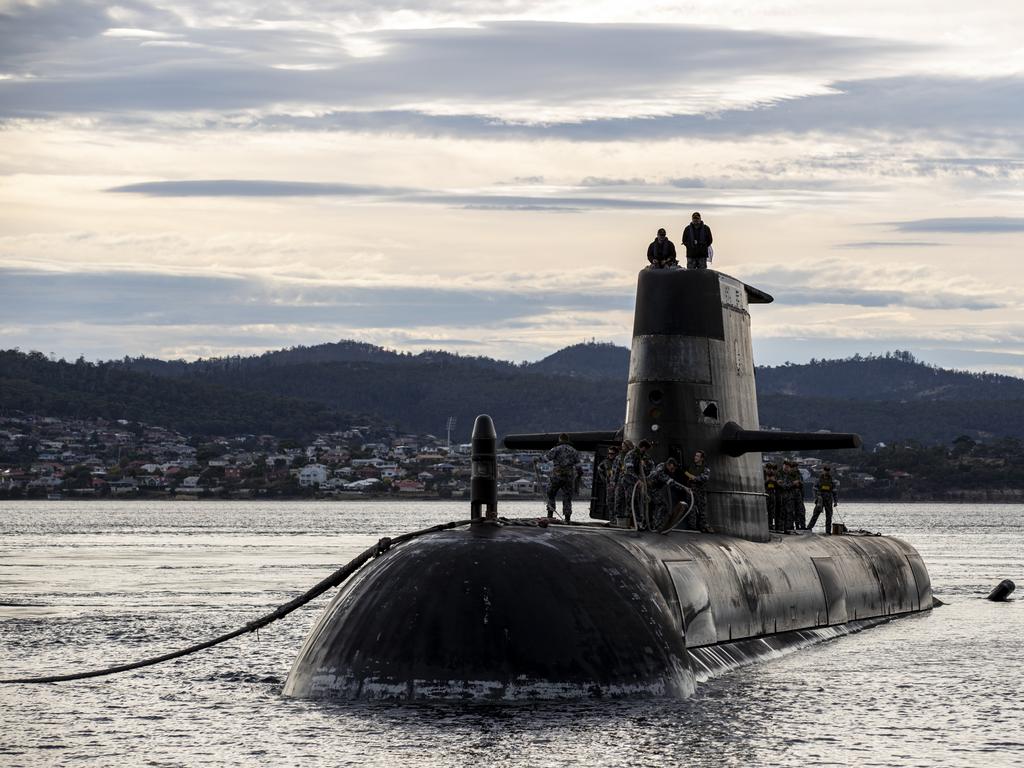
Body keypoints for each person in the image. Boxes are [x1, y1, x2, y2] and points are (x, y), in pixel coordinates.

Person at [540, 433, 581, 522]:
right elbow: (578, 466)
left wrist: (537, 459)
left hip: (557, 475)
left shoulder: (556, 449)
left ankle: (550, 514)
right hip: (569, 476)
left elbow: (546, 459)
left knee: (551, 493)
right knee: (567, 497)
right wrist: (579, 475)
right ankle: (567, 518)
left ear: (560, 439)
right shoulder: (574, 451)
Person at [620, 440, 654, 528]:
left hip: (640, 483)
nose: (645, 451)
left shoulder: (643, 456)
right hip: (629, 481)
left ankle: (640, 522)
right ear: (642, 447)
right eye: (645, 449)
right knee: (631, 500)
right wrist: (637, 480)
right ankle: (630, 522)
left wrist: (647, 478)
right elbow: (629, 470)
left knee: (641, 501)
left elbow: (651, 468)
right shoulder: (631, 454)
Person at [648, 456, 687, 531]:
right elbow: (669, 481)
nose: (672, 471)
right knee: (662, 505)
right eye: (672, 468)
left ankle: (651, 524)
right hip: (650, 488)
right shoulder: (661, 469)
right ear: (669, 464)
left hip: (653, 488)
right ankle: (657, 525)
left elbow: (671, 481)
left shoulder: (666, 468)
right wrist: (684, 488)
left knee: (652, 506)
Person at [683, 449, 712, 532]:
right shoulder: (691, 467)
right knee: (691, 508)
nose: (695, 457)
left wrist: (695, 478)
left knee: (701, 510)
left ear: (702, 459)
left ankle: (703, 527)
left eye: (697, 456)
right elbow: (686, 474)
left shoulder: (705, 468)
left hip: (700, 492)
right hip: (691, 491)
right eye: (695, 456)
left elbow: (705, 478)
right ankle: (692, 526)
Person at [808, 465, 839, 534]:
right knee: (815, 514)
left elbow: (834, 491)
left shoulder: (832, 481)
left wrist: (836, 501)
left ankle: (828, 531)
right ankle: (809, 528)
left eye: (827, 471)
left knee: (829, 516)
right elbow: (814, 489)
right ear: (823, 471)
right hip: (820, 499)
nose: (826, 472)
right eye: (825, 470)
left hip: (828, 499)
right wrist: (816, 498)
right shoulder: (818, 480)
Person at [611, 439, 633, 522]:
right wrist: (613, 482)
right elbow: (615, 470)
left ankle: (629, 519)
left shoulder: (633, 456)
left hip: (630, 481)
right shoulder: (619, 457)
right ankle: (619, 519)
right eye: (622, 446)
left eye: (624, 446)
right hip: (621, 481)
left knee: (629, 500)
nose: (623, 448)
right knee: (619, 500)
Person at [596, 444, 620, 521]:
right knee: (609, 502)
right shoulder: (606, 462)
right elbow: (599, 468)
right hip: (610, 484)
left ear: (616, 454)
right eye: (609, 453)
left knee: (618, 502)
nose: (610, 455)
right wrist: (604, 479)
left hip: (618, 484)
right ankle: (612, 519)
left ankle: (618, 519)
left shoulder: (618, 461)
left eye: (612, 454)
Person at [764, 462, 780, 531]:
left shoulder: (774, 475)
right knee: (766, 510)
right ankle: (765, 525)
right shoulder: (763, 474)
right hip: (765, 494)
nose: (770, 470)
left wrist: (775, 481)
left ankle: (770, 525)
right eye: (769, 469)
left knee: (771, 511)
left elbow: (777, 486)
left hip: (772, 494)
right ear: (766, 468)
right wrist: (767, 481)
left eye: (771, 469)